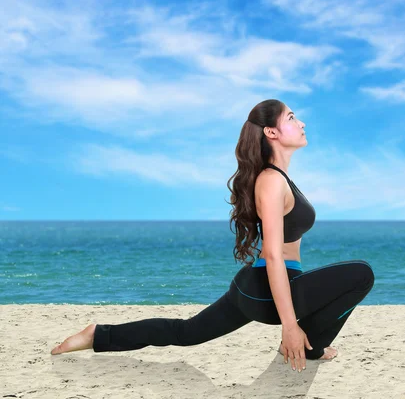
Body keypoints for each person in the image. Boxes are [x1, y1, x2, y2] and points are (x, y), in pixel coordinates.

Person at [50, 99, 375, 373]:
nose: (301, 122)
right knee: (361, 274)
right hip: (267, 289)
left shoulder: (277, 177)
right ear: (272, 132)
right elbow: (274, 255)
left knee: (187, 332)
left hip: (258, 287)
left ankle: (97, 335)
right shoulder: (272, 181)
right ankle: (311, 347)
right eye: (291, 117)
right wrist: (290, 327)